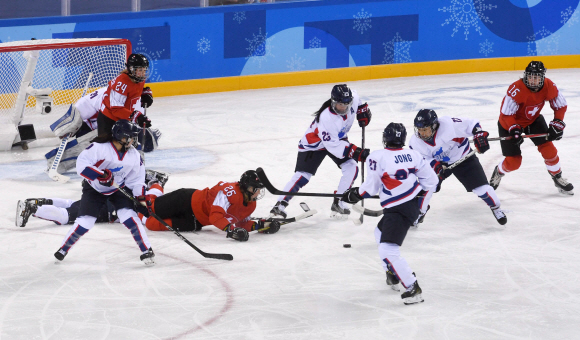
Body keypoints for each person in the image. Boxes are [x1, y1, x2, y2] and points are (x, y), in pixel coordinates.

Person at [341, 123, 438, 305]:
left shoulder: (377, 157)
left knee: (388, 249)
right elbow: (431, 180)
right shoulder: (413, 154)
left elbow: (371, 187)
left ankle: (412, 287)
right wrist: (419, 202)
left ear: (385, 138)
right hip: (409, 205)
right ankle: (393, 272)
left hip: (398, 209)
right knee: (379, 233)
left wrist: (354, 194)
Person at [53, 119, 155, 265]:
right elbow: (82, 165)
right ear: (121, 137)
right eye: (131, 137)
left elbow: (137, 179)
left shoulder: (134, 155)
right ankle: (63, 249)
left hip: (118, 188)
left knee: (130, 217)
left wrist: (140, 198)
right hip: (94, 189)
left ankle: (147, 250)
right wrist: (100, 175)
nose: (133, 140)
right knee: (86, 222)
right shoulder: (99, 148)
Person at [269, 84, 372, 220]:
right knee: (303, 175)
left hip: (337, 139)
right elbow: (334, 147)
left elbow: (357, 98)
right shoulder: (327, 118)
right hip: (314, 144)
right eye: (341, 104)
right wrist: (356, 152)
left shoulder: (350, 100)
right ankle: (279, 205)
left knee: (351, 167)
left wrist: (362, 110)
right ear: (333, 102)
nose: (345, 108)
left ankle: (339, 201)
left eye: (347, 104)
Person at [409, 109, 507, 226]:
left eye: (425, 129)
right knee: (427, 185)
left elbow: (472, 124)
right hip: (441, 163)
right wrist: (435, 166)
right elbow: (421, 159)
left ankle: (496, 208)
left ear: (434, 126)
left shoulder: (449, 124)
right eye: (419, 130)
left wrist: (479, 135)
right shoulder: (415, 142)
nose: (422, 133)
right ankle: (419, 212)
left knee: (482, 189)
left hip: (463, 158)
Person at [489, 61, 573, 195]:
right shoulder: (516, 89)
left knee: (550, 151)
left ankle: (557, 178)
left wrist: (557, 123)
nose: (533, 80)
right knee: (514, 163)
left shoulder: (549, 85)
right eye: (530, 77)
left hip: (533, 121)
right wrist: (514, 129)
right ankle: (498, 172)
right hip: (509, 124)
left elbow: (560, 105)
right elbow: (506, 115)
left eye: (536, 77)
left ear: (542, 78)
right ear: (525, 76)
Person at [139, 170, 280, 242]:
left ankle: (134, 211)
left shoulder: (251, 205)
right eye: (256, 189)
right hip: (185, 201)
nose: (258, 193)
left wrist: (260, 226)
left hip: (194, 222)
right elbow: (215, 217)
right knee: (148, 208)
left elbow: (241, 223)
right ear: (247, 187)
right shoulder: (229, 192)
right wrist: (231, 230)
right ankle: (156, 182)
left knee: (152, 224)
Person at [46, 86, 160, 174]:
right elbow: (80, 111)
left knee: (139, 139)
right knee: (96, 150)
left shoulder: (136, 103)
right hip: (94, 130)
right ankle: (58, 160)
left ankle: (128, 163)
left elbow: (134, 130)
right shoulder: (106, 95)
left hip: (115, 131)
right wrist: (71, 126)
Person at [15, 170, 168, 228]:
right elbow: (146, 218)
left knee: (72, 204)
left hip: (106, 197)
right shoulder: (149, 202)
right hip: (106, 209)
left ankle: (43, 202)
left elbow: (154, 191)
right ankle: (33, 209)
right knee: (65, 216)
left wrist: (156, 182)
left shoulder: (143, 191)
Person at [97, 53, 153, 140]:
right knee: (108, 149)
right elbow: (116, 109)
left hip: (125, 119)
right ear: (131, 69)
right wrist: (136, 117)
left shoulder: (139, 79)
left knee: (127, 147)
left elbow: (133, 90)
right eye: (140, 70)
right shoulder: (121, 83)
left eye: (144, 70)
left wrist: (144, 93)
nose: (143, 73)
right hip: (108, 119)